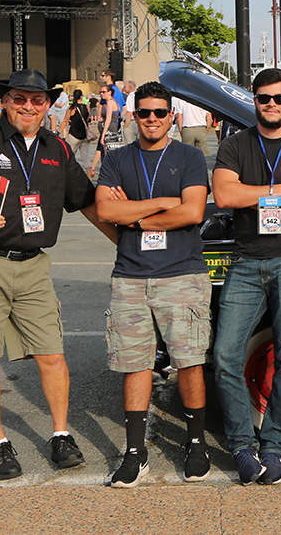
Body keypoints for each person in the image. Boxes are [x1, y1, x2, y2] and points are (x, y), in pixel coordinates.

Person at [0, 68, 118, 481]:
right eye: (19, 98)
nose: (27, 106)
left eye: (36, 100)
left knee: (51, 354)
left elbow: (86, 203)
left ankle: (61, 434)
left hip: (33, 266)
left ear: (48, 104)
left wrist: (124, 242)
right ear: (6, 101)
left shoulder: (59, 150)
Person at [94, 81, 213, 487]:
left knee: (189, 360)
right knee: (134, 363)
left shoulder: (190, 156)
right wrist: (164, 204)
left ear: (172, 117)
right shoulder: (117, 158)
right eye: (144, 112)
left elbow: (193, 211)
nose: (152, 119)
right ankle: (135, 452)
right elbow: (105, 209)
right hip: (130, 275)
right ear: (134, 115)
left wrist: (136, 218)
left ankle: (196, 444)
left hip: (181, 272)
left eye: (160, 112)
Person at [212, 68, 281, 485]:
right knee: (224, 355)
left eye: (278, 98)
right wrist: (278, 189)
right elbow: (224, 195)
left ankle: (273, 447)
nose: (271, 104)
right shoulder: (235, 144)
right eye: (263, 98)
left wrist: (255, 192)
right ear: (254, 101)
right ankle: (242, 445)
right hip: (245, 262)